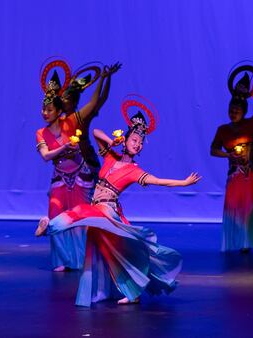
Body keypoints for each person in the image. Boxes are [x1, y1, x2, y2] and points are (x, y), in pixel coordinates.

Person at [36, 105, 200, 306]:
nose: (138, 145)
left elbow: (158, 181)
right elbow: (95, 132)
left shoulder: (133, 170)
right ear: (125, 140)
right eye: (134, 140)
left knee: (79, 211)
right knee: (109, 253)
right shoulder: (109, 157)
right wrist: (111, 141)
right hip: (98, 209)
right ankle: (132, 293)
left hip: (106, 210)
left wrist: (183, 183)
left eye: (140, 143)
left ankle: (49, 227)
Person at [211, 66, 253, 252]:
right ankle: (241, 241)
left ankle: (252, 241)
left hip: (252, 174)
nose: (233, 113)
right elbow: (213, 150)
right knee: (236, 208)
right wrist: (227, 154)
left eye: (237, 110)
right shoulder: (223, 130)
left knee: (252, 208)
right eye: (231, 110)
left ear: (244, 111)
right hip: (234, 176)